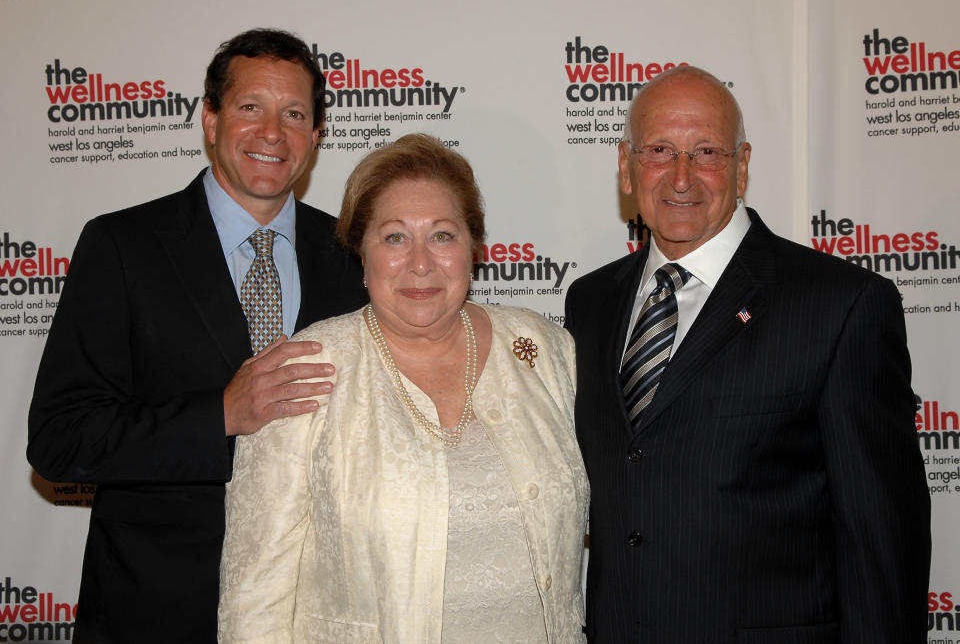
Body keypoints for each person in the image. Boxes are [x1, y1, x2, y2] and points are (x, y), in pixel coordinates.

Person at [564, 65, 930, 643]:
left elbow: (881, 539)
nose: (681, 177)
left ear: (742, 166)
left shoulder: (840, 305)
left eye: (706, 151)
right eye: (660, 150)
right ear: (627, 166)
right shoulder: (591, 302)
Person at [27, 29, 367, 643]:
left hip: (317, 608)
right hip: (159, 609)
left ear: (317, 135)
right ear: (209, 119)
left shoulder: (354, 255)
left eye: (294, 113)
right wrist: (220, 415)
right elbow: (59, 439)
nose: (272, 132)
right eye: (249, 108)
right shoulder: (122, 246)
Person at [217, 133, 589, 643]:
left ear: (473, 247)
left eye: (442, 235)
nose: (420, 262)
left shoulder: (545, 349)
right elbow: (255, 592)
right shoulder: (303, 368)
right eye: (394, 237)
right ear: (361, 252)